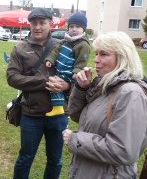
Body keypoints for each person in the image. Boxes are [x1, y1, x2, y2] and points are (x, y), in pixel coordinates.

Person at [62, 31, 147, 178]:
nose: (96, 60)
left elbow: (123, 151)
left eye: (103, 54)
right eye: (96, 54)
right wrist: (82, 88)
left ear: (122, 57)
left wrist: (75, 140)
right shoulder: (106, 86)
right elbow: (77, 116)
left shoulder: (130, 93)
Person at [7, 7, 70, 179]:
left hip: (58, 114)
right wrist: (44, 82)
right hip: (31, 114)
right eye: (34, 23)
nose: (38, 27)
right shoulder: (20, 49)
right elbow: (12, 78)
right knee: (25, 158)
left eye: (42, 23)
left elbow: (73, 78)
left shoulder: (62, 47)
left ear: (50, 24)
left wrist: (65, 86)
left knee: (55, 160)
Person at [45, 12, 90, 116]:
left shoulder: (83, 44)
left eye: (78, 27)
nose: (74, 29)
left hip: (69, 72)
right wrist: (50, 60)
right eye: (71, 26)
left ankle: (58, 107)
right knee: (57, 86)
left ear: (83, 29)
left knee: (54, 84)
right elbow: (56, 51)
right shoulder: (66, 40)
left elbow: (82, 60)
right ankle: (65, 107)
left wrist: (77, 71)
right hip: (60, 69)